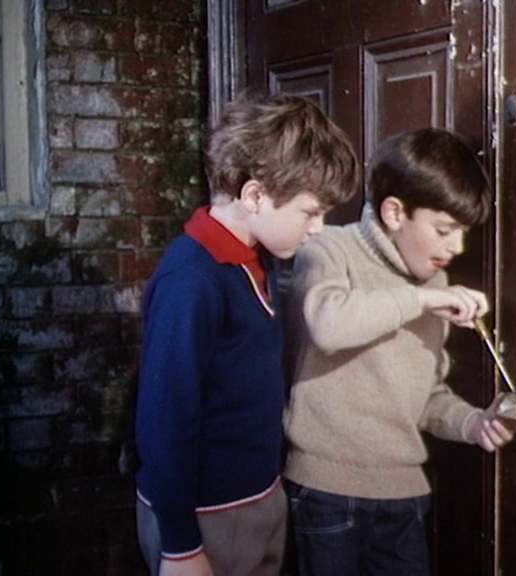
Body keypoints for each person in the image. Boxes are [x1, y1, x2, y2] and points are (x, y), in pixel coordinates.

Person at [134, 92, 359, 576]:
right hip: (204, 518)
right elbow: (164, 420)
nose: (318, 229)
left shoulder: (255, 258)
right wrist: (179, 546)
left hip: (256, 498)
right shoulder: (191, 280)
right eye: (310, 212)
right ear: (255, 195)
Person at [282, 128, 516, 576]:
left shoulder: (434, 285)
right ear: (395, 212)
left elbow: (425, 396)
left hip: (404, 498)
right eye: (444, 230)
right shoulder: (329, 250)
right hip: (327, 494)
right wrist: (420, 300)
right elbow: (328, 325)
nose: (457, 247)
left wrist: (474, 424)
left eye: (462, 233)